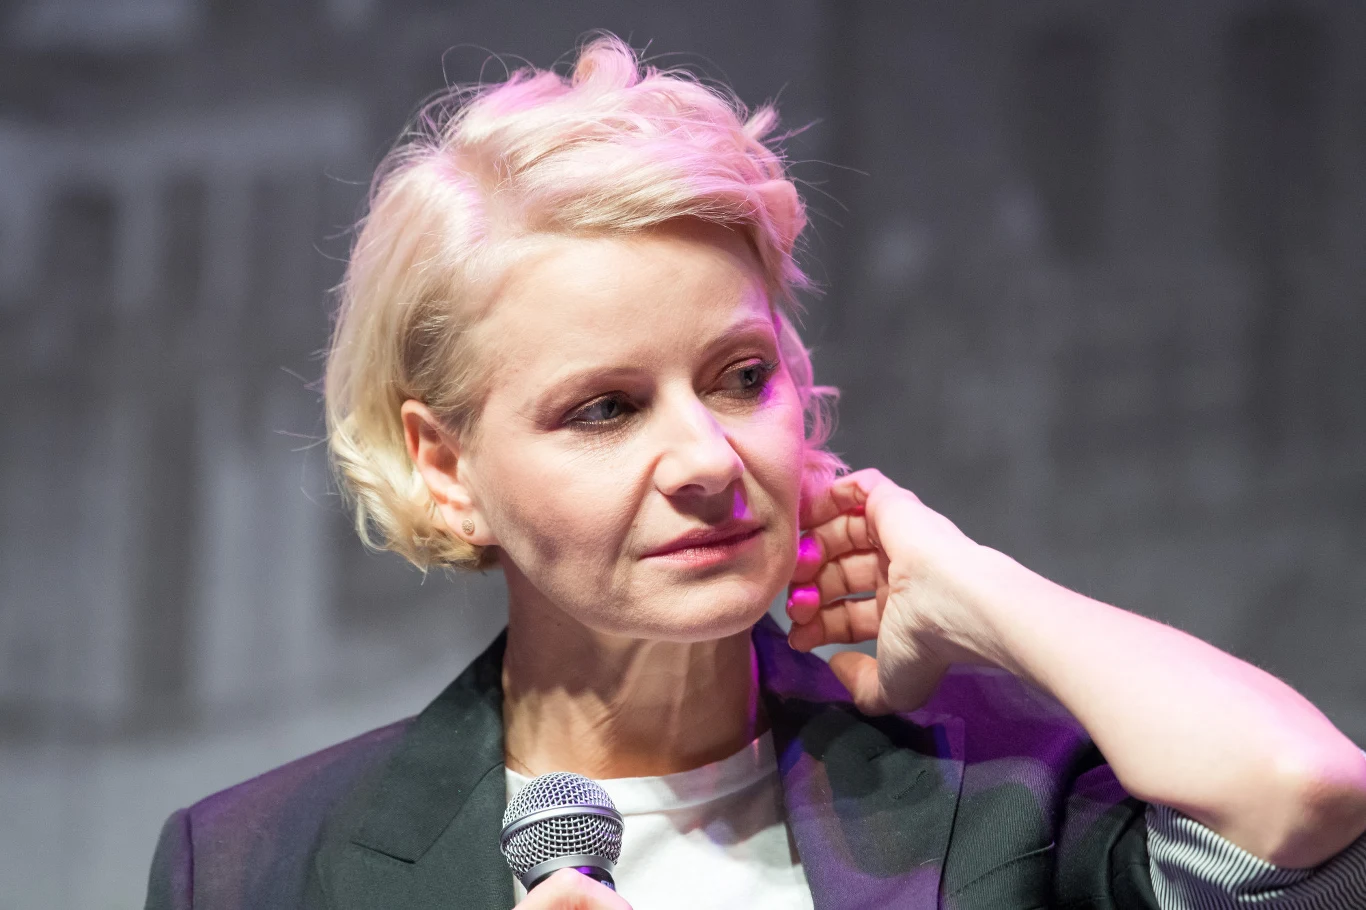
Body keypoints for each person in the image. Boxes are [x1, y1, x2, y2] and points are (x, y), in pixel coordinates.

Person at [144, 33, 1366, 910]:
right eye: (606, 407)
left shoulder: (1005, 800)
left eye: (739, 376)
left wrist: (974, 586)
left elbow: (1303, 799)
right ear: (445, 465)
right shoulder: (260, 865)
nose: (703, 458)